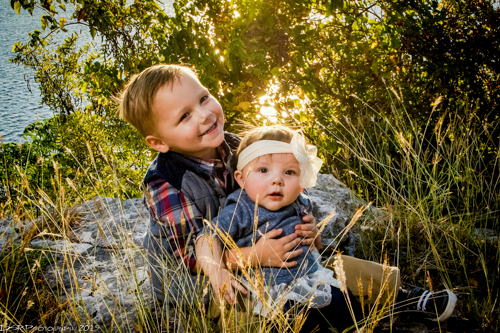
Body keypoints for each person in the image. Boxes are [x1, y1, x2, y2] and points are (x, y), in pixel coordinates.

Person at [117, 64, 457, 324]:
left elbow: (282, 190)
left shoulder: (238, 147)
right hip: (198, 273)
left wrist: (304, 227)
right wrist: (253, 257)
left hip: (258, 245)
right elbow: (188, 254)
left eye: (204, 97)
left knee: (316, 265)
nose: (206, 114)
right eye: (185, 116)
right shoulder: (165, 183)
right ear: (159, 142)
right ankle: (332, 314)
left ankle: (399, 295)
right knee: (256, 302)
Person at [196, 126, 363, 332]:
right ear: (241, 178)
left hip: (309, 278)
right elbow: (206, 236)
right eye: (263, 170)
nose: (277, 180)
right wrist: (217, 272)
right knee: (292, 324)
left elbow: (315, 247)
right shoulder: (242, 209)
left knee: (350, 309)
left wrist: (314, 235)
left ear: (301, 181)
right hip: (269, 290)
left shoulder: (299, 202)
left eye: (289, 172)